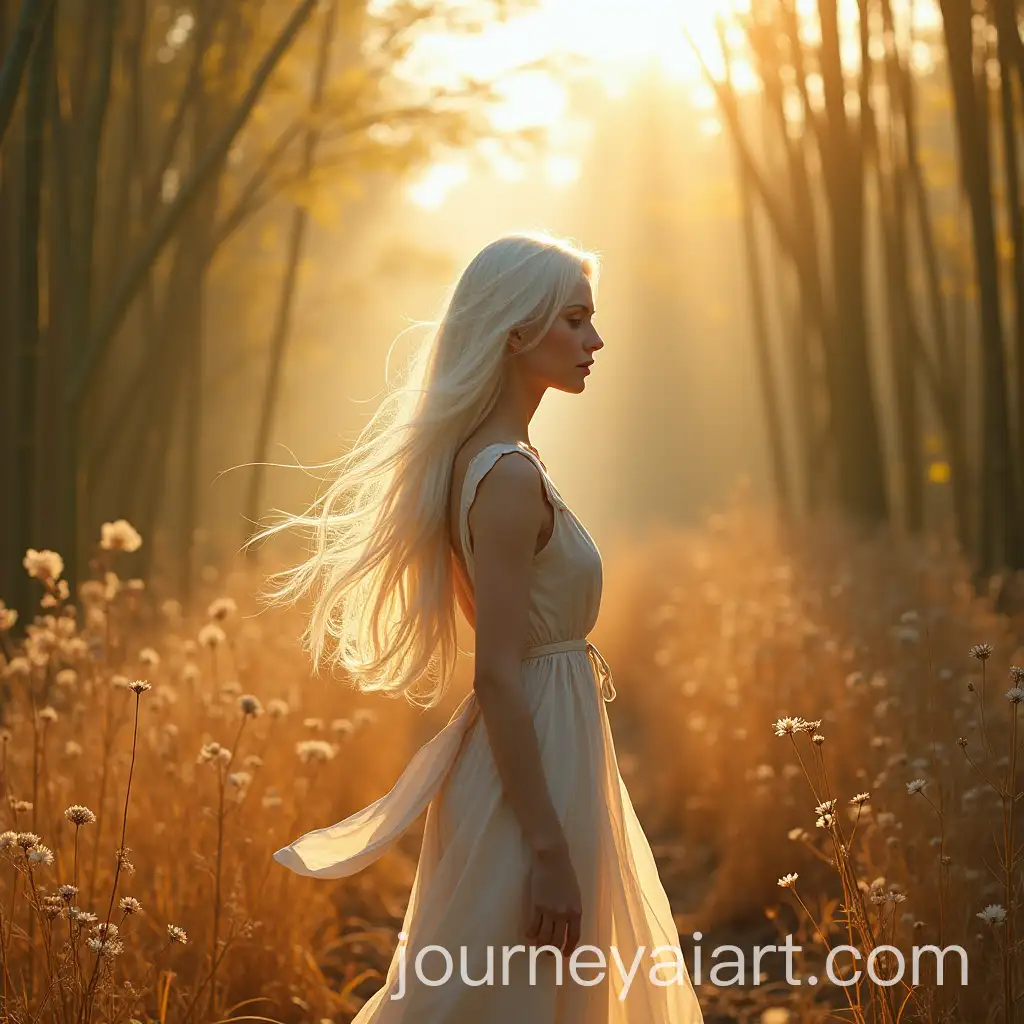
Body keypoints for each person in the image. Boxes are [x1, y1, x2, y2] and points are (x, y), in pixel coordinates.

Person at [251, 232, 703, 1022]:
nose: (595, 340)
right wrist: (549, 847)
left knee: (533, 991)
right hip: (529, 769)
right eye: (575, 319)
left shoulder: (504, 461)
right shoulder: (506, 476)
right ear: (516, 331)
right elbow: (496, 671)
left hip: (551, 750)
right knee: (490, 994)